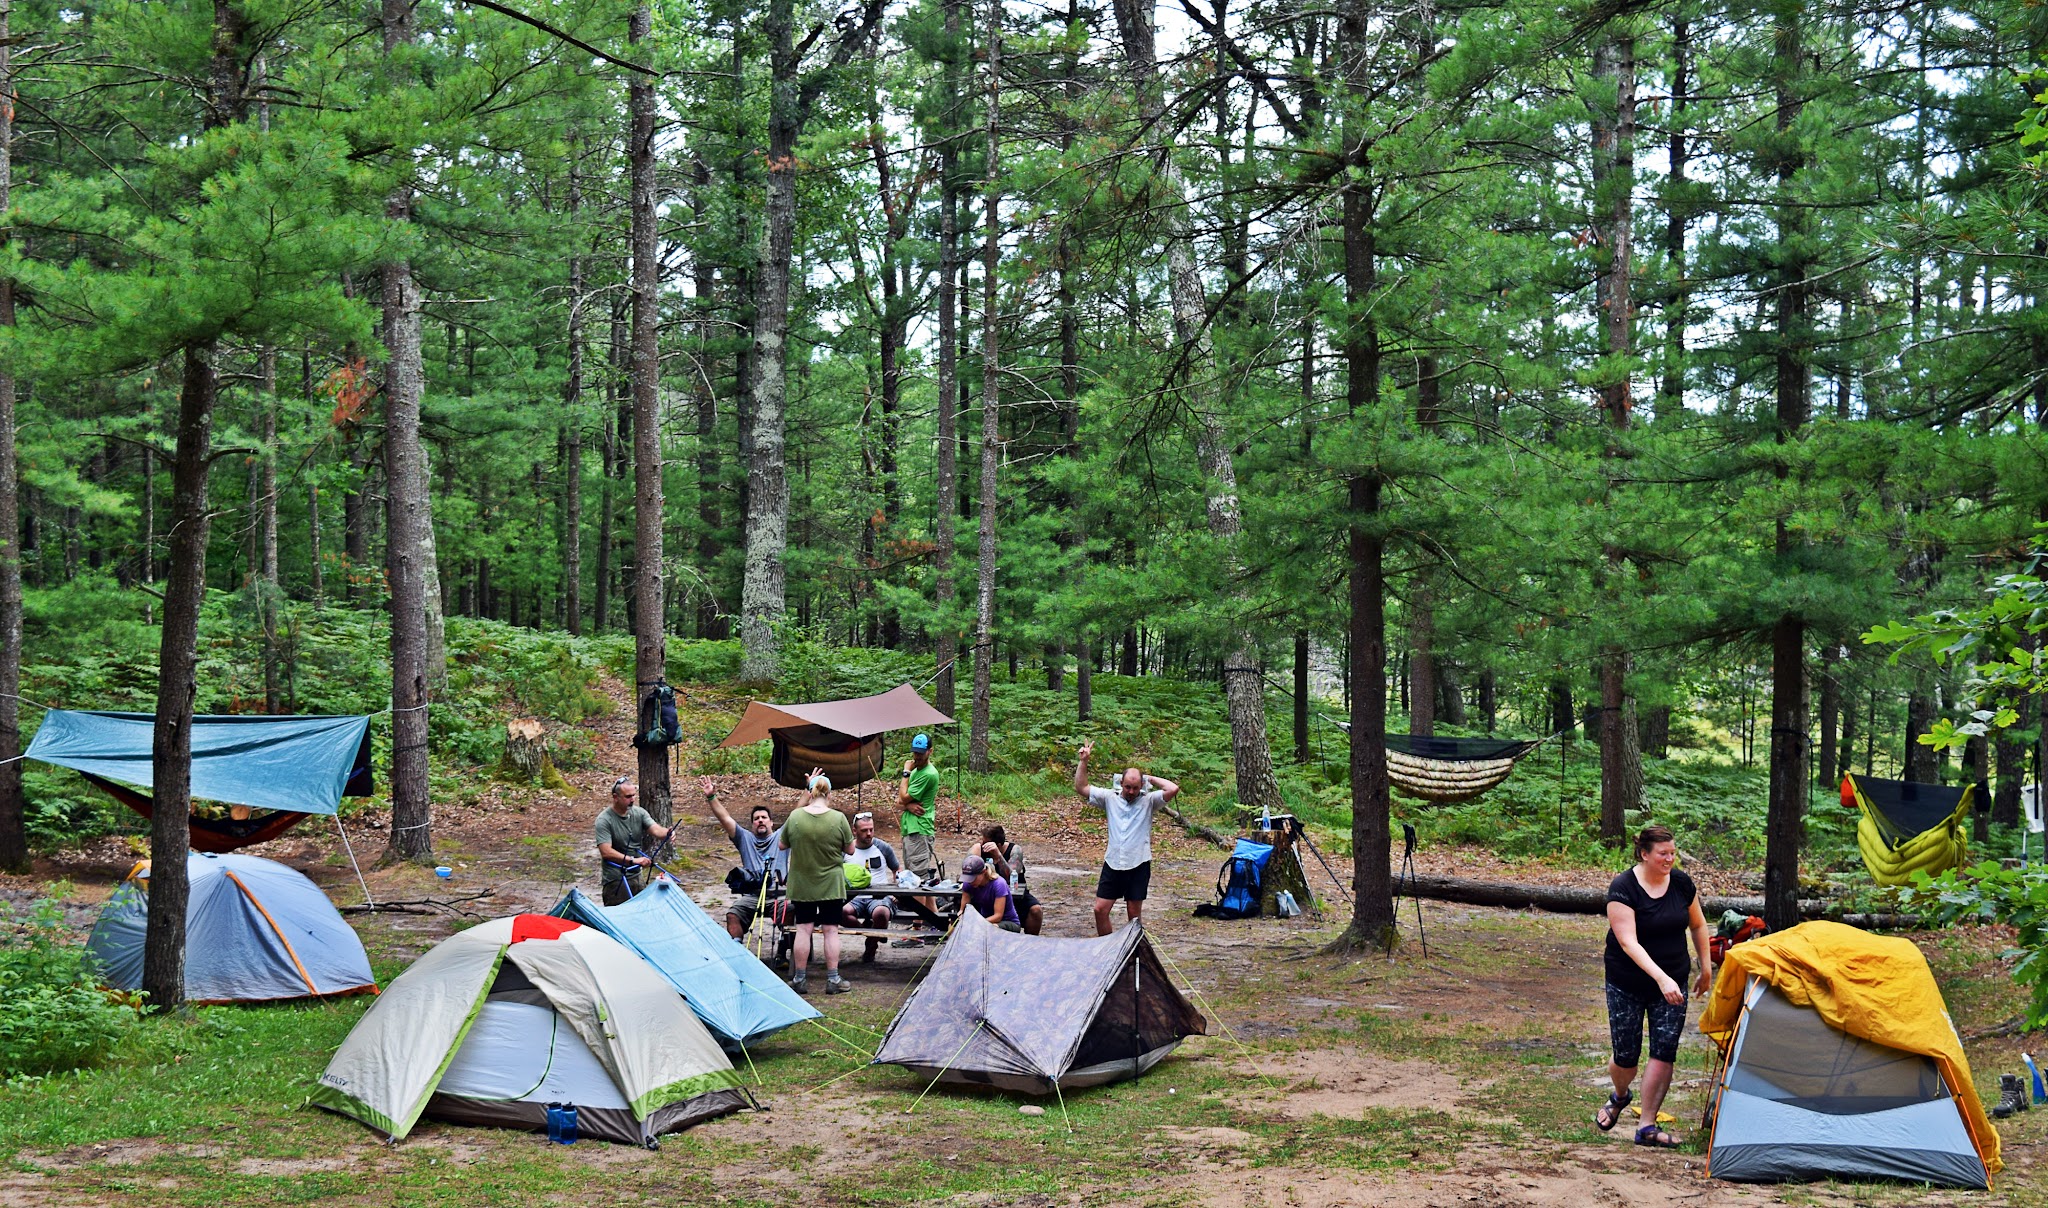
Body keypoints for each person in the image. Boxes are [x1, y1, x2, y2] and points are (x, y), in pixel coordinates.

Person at [1594, 824, 1713, 1148]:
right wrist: (1660, 978)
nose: (1670, 859)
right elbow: (1628, 942)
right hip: (1628, 981)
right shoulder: (1623, 887)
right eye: (1663, 853)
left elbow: (1698, 924)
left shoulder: (1682, 883)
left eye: (1673, 853)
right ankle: (1620, 1096)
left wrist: (1705, 967)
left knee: (1665, 1049)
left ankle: (1647, 1125)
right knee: (1626, 1056)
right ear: (1645, 854)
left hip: (1674, 978)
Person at [1073, 741, 1179, 935]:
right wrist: (1084, 761)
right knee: (1100, 910)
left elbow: (1172, 789)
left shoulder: (1149, 801)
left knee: (1133, 915)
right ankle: (1108, 947)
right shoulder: (1109, 797)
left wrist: (1149, 778)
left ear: (1141, 786)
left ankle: (1134, 949)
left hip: (1138, 863)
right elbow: (1081, 787)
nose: (1131, 791)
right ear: (1121, 783)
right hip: (1113, 862)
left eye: (1135, 787)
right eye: (1128, 787)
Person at [778, 769, 855, 995]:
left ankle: (799, 979)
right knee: (831, 930)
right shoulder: (838, 818)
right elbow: (850, 849)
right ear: (829, 794)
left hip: (802, 882)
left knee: (803, 929)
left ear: (810, 793)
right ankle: (833, 979)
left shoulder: (795, 817)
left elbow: (782, 845)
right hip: (831, 883)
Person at [702, 777, 786, 941]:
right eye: (756, 818)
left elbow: (797, 813)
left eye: (764, 817)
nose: (760, 820)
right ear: (752, 824)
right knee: (733, 915)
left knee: (790, 910)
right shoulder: (744, 838)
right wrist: (711, 797)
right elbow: (725, 819)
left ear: (771, 823)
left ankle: (784, 947)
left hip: (780, 895)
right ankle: (738, 947)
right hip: (752, 895)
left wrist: (809, 790)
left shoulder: (782, 836)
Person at [595, 776, 672, 906]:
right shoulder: (604, 820)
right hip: (615, 880)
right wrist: (633, 860)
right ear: (615, 797)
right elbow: (606, 852)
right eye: (628, 796)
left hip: (636, 877)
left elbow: (655, 830)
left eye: (634, 795)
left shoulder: (639, 813)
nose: (632, 800)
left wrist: (667, 833)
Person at [842, 811, 901, 963]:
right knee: (839, 912)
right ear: (854, 831)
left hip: (879, 897)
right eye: (864, 830)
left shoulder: (883, 847)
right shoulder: (846, 850)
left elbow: (897, 870)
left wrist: (897, 890)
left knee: (881, 913)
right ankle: (871, 934)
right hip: (854, 897)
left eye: (871, 830)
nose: (869, 834)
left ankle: (871, 946)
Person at [972, 825, 1041, 935]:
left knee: (1036, 910)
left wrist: (998, 856)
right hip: (987, 895)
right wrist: (976, 852)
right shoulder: (980, 849)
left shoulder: (1015, 850)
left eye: (986, 843)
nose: (983, 845)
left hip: (1015, 895)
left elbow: (1011, 876)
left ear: (998, 845)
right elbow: (968, 871)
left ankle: (1030, 941)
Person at [896, 734, 941, 882]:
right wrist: (908, 806)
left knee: (918, 880)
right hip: (910, 830)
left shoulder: (928, 774)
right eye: (915, 752)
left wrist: (906, 773)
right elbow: (898, 801)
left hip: (919, 830)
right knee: (911, 878)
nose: (917, 756)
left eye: (921, 753)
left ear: (930, 751)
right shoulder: (916, 771)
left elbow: (903, 797)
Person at [960, 854, 1021, 932]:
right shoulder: (968, 884)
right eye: (967, 878)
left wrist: (977, 924)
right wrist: (960, 917)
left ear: (984, 872)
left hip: (1007, 922)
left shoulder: (999, 884)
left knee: (990, 928)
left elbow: (998, 916)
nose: (970, 882)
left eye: (973, 878)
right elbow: (963, 910)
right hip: (984, 921)